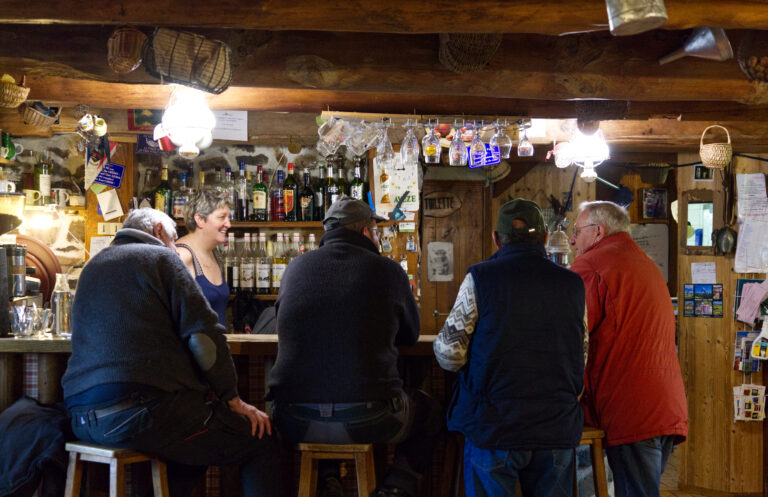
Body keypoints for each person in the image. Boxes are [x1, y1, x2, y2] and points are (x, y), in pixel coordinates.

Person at [61, 208, 278, 497]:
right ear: (159, 232)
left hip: (81, 420)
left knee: (188, 438)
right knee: (260, 437)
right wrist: (233, 399)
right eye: (175, 239)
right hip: (141, 415)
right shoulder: (161, 258)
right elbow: (204, 339)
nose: (176, 248)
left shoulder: (92, 266)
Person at [268, 196, 442, 497]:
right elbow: (410, 336)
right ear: (365, 231)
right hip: (370, 417)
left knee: (326, 393)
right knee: (432, 412)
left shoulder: (295, 268)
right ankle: (395, 489)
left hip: (291, 418)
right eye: (376, 231)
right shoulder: (388, 270)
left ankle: (328, 481)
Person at [434, 198, 587, 497]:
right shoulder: (573, 284)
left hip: (495, 427)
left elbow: (450, 354)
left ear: (496, 238)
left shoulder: (480, 278)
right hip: (555, 427)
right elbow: (581, 356)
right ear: (545, 237)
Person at [568, 201, 688, 497]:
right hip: (665, 406)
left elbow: (570, 336)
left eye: (577, 232)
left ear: (598, 231)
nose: (571, 241)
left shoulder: (592, 265)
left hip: (629, 409)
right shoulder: (645, 263)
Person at [176, 189, 231, 326]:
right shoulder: (182, 256)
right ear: (200, 219)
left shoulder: (215, 254)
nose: (228, 224)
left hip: (216, 339)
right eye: (222, 217)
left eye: (229, 218)